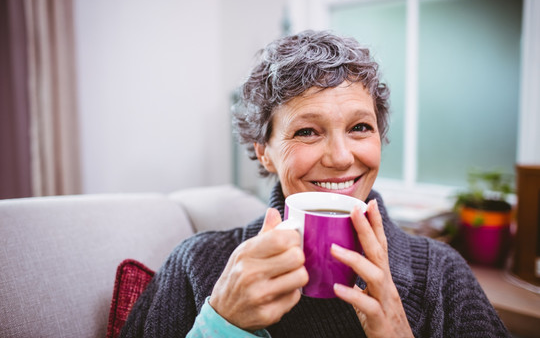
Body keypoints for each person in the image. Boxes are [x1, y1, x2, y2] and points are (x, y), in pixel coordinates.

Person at [120, 30, 510, 337]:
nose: (341, 157)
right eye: (307, 131)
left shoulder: (442, 274)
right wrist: (222, 324)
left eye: (360, 127)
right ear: (264, 151)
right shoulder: (198, 264)